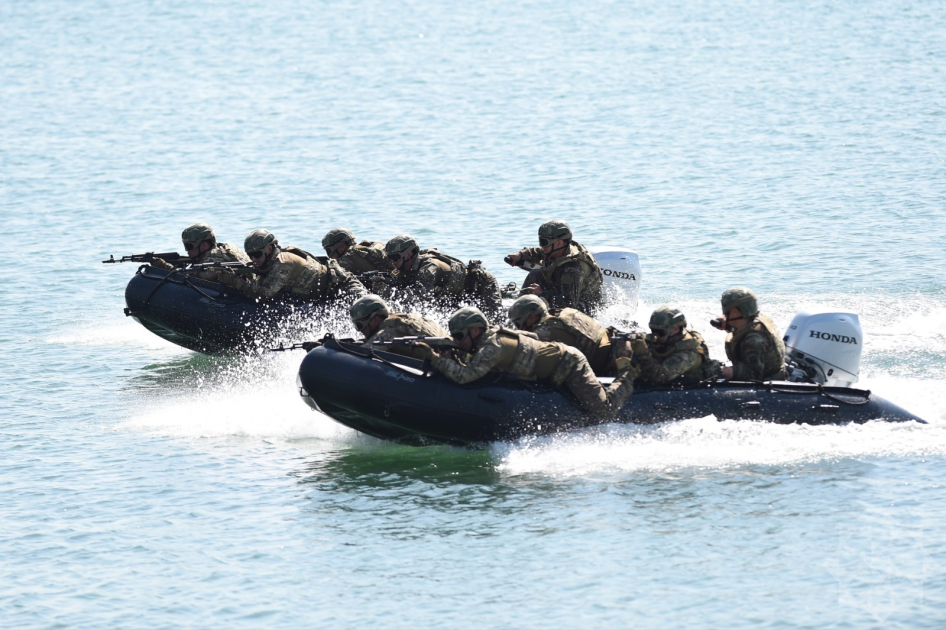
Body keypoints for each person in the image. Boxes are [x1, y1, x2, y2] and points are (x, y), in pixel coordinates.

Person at [418, 306, 638, 420]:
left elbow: (465, 376)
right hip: (549, 369)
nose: (457, 341)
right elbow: (471, 366)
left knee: (604, 410)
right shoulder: (485, 342)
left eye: (459, 336)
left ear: (475, 330)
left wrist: (434, 358)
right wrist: (449, 354)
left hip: (570, 364)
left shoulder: (493, 346)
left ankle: (628, 372)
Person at [217, 228, 366, 302]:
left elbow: (264, 294)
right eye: (250, 256)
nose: (254, 259)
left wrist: (234, 281)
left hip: (343, 287)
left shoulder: (284, 262)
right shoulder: (269, 262)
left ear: (269, 249)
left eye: (256, 255)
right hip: (324, 294)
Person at [379, 234, 503, 318]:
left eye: (395, 257)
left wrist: (387, 291)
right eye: (389, 258)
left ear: (410, 254)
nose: (392, 262)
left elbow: (418, 297)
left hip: (481, 286)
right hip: (455, 295)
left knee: (495, 320)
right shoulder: (404, 269)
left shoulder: (429, 268)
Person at [507, 294, 626, 376]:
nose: (520, 327)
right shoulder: (563, 312)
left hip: (613, 363)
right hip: (617, 340)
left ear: (531, 317)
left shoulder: (544, 333)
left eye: (519, 323)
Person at [504, 219, 604, 314]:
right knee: (535, 274)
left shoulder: (572, 268)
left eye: (544, 242)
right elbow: (539, 252)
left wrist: (542, 293)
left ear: (559, 243)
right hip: (563, 292)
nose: (542, 246)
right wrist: (520, 255)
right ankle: (520, 310)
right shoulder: (557, 250)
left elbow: (569, 304)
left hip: (584, 308)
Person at [712, 287, 787, 381]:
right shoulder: (759, 320)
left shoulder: (754, 340)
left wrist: (733, 371)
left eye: (727, 312)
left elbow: (754, 376)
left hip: (767, 382)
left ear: (735, 312)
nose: (724, 315)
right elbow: (743, 330)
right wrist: (728, 325)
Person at [631, 306, 719, 384]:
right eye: (653, 330)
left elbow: (660, 377)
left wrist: (644, 354)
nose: (655, 335)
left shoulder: (688, 351)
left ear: (676, 329)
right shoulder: (668, 338)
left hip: (688, 385)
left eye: (660, 332)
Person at [349, 294, 448, 359]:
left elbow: (363, 353)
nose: (359, 331)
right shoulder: (402, 320)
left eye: (359, 325)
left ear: (374, 320)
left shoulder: (388, 332)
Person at [152, 223, 250, 279]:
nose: (186, 250)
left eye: (189, 246)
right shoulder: (225, 248)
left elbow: (187, 277)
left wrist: (163, 265)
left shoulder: (212, 259)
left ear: (204, 245)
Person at [321, 228, 390, 274]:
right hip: (393, 275)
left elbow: (329, 273)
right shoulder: (362, 248)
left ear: (342, 246)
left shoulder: (347, 258)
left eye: (329, 251)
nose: (329, 256)